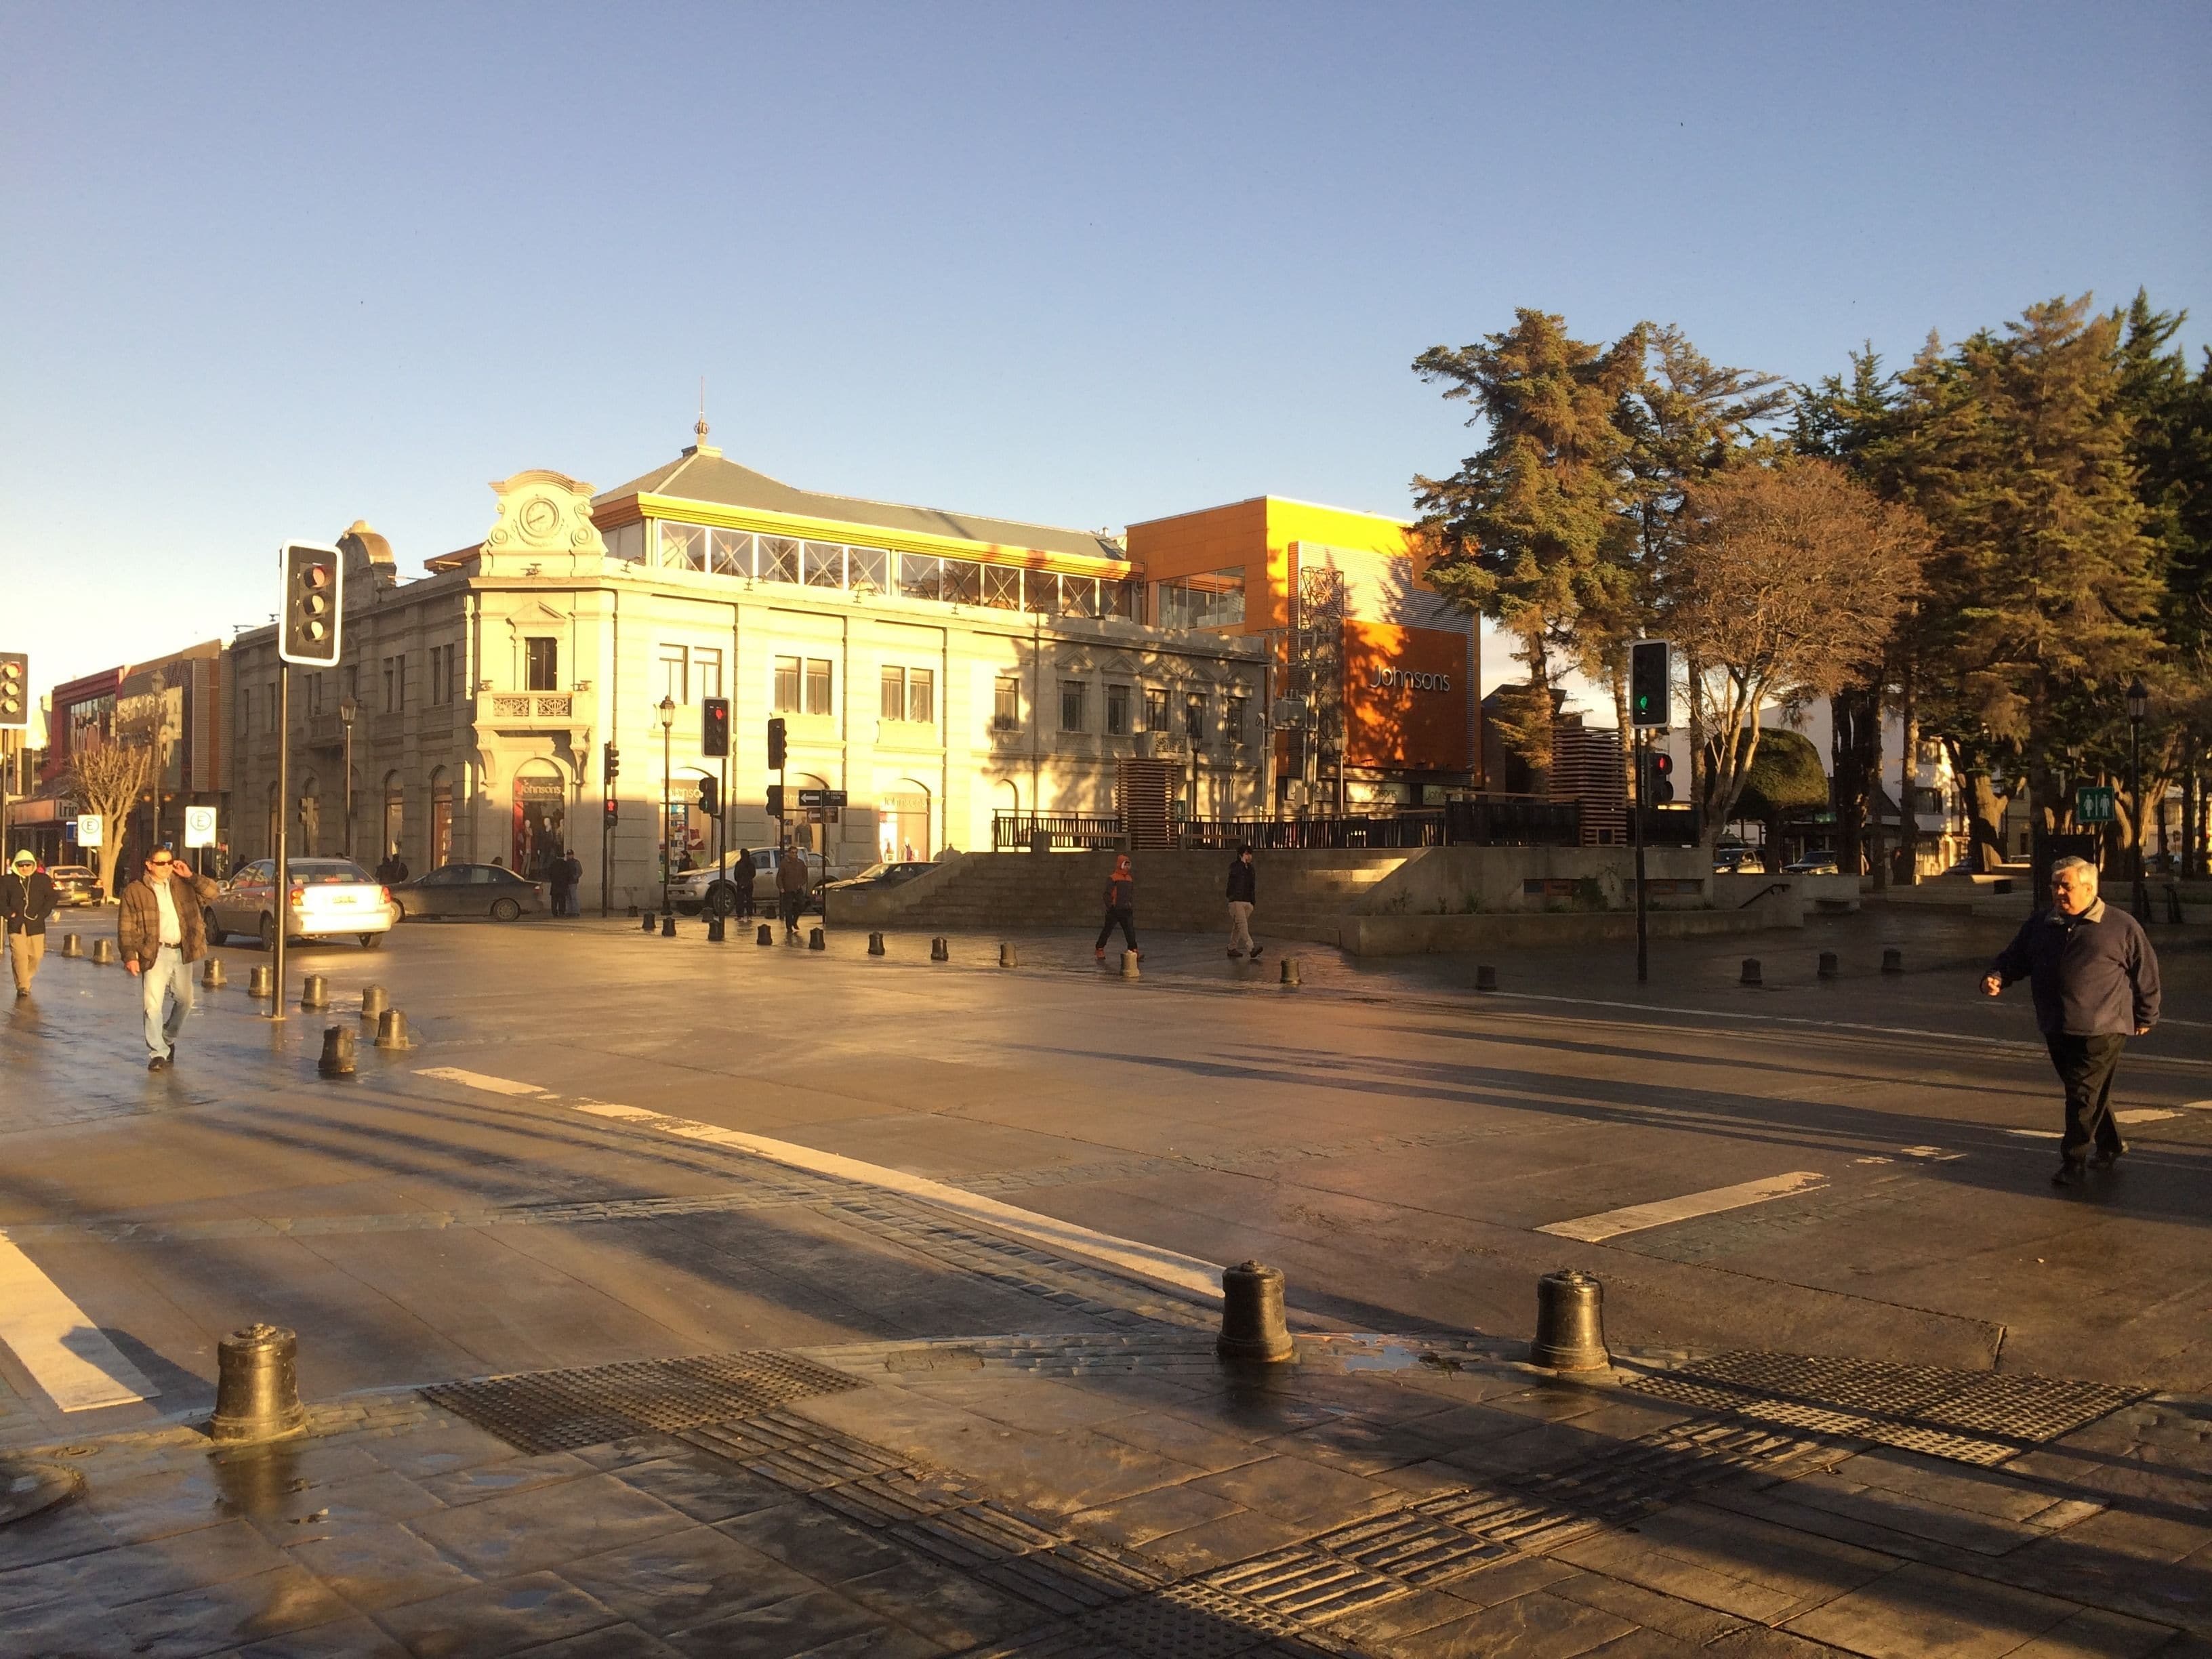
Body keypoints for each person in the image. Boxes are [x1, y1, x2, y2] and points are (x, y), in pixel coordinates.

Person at [1984, 855, 2160, 1187]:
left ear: (2090, 888)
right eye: (2055, 885)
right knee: (2086, 1092)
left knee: (2082, 1093)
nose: (2059, 892)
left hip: (2102, 1027)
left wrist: (2146, 1014)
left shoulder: (2121, 926)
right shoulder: (2042, 923)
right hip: (2055, 1023)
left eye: (2066, 886)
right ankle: (2111, 1144)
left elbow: (2146, 973)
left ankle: (2073, 1159)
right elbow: (2017, 957)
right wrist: (1997, 976)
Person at [117, 846, 220, 1071]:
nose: (166, 867)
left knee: (186, 1001)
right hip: (154, 952)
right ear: (149, 865)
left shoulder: (184, 884)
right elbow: (126, 927)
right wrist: (130, 956)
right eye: (161, 863)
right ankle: (158, 1053)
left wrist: (190, 875)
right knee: (152, 1005)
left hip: (183, 950)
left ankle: (167, 1037)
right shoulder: (136, 890)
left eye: (169, 862)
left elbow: (214, 892)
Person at [3, 850, 58, 998]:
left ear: (33, 865)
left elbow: (52, 897)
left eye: (28, 865)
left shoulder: (42, 879)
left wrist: (43, 913)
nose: (25, 868)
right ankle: (22, 986)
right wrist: (9, 914)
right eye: (21, 865)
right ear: (16, 865)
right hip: (16, 925)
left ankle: (25, 979)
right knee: (19, 956)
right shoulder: (7, 881)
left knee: (36, 956)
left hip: (36, 924)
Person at [1096, 853, 1138, 963]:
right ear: (1120, 865)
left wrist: (1130, 905)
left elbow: (1131, 894)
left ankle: (1133, 950)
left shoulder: (1129, 879)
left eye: (1129, 865)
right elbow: (1107, 894)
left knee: (1130, 931)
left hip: (1126, 909)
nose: (1127, 867)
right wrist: (1111, 906)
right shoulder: (1113, 878)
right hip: (1115, 910)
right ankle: (1099, 948)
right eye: (1125, 864)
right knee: (1107, 930)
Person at [1226, 844, 1260, 961]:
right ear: (1241, 855)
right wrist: (1242, 863)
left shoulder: (1250, 869)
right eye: (1246, 854)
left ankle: (1232, 947)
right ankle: (1251, 948)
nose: (1249, 856)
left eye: (1250, 854)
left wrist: (1252, 902)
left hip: (1247, 902)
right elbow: (1235, 876)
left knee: (1238, 926)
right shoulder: (1235, 867)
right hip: (1236, 901)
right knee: (1243, 926)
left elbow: (1252, 886)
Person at [776, 846, 809, 939]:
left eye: (796, 853)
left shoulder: (800, 863)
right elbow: (780, 876)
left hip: (798, 889)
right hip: (788, 889)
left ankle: (794, 920)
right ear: (789, 853)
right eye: (793, 853)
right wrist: (781, 887)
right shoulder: (785, 863)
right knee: (788, 908)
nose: (794, 855)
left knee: (802, 904)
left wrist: (801, 883)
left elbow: (805, 875)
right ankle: (789, 927)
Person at [731, 848, 756, 920]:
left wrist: (740, 881)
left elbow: (736, 874)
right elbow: (753, 874)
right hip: (749, 884)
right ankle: (750, 915)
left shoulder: (739, 864)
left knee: (740, 900)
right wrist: (749, 879)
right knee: (749, 899)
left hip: (741, 884)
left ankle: (740, 915)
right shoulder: (751, 864)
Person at [548, 846, 574, 918]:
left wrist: (552, 880)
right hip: (563, 885)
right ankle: (562, 912)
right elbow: (569, 875)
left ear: (557, 857)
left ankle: (554, 912)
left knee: (554, 900)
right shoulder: (566, 865)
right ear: (563, 857)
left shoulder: (553, 864)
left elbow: (549, 874)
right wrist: (568, 882)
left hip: (555, 885)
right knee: (562, 900)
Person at [561, 848, 583, 916]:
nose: (569, 856)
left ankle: (576, 911)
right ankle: (569, 911)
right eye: (568, 855)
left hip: (573, 882)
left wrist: (575, 877)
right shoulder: (565, 863)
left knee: (573, 897)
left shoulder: (576, 862)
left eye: (570, 855)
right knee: (568, 897)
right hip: (567, 882)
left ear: (573, 855)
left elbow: (580, 871)